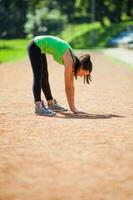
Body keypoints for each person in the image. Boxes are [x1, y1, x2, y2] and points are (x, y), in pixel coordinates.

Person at [27, 35, 93, 116]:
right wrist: (72, 109)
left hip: (40, 48)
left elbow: (72, 86)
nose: (81, 76)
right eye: (83, 74)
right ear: (81, 66)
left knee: (44, 76)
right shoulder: (70, 61)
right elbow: (68, 87)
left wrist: (73, 108)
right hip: (35, 45)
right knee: (38, 76)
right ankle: (38, 106)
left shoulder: (74, 63)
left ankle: (51, 103)